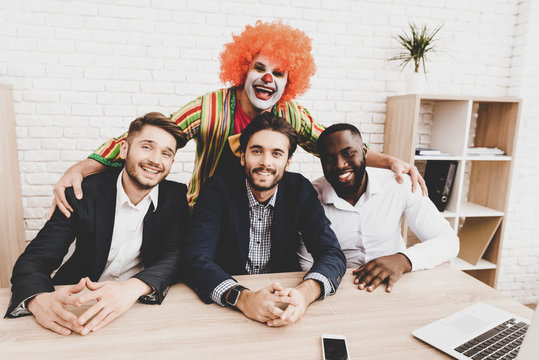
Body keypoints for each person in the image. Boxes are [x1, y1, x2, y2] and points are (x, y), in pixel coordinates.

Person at [49, 20, 426, 217]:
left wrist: (391, 161)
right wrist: (82, 168)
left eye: (278, 73)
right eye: (259, 68)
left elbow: (338, 148)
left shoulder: (292, 115)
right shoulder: (209, 108)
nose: (267, 78)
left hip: (264, 216)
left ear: (288, 83)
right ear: (242, 70)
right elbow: (152, 138)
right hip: (203, 214)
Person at [5, 113, 189, 337]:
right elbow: (36, 258)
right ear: (124, 150)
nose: (156, 160)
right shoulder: (83, 192)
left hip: (135, 307)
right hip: (78, 304)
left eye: (166, 153)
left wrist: (134, 286)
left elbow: (176, 254)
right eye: (147, 147)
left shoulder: (176, 196)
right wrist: (37, 299)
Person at [183, 113, 346, 327]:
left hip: (284, 297)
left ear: (287, 162)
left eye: (276, 154)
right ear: (243, 156)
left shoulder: (300, 190)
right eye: (256, 151)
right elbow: (195, 257)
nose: (265, 162)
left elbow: (331, 253)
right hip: (228, 304)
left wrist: (305, 294)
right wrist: (243, 298)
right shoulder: (218, 189)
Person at [297, 123, 459, 292]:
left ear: (364, 152)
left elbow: (448, 241)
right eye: (329, 159)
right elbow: (306, 264)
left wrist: (404, 260)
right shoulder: (311, 199)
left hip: (397, 284)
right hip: (339, 288)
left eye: (349, 153)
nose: (339, 164)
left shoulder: (399, 184)